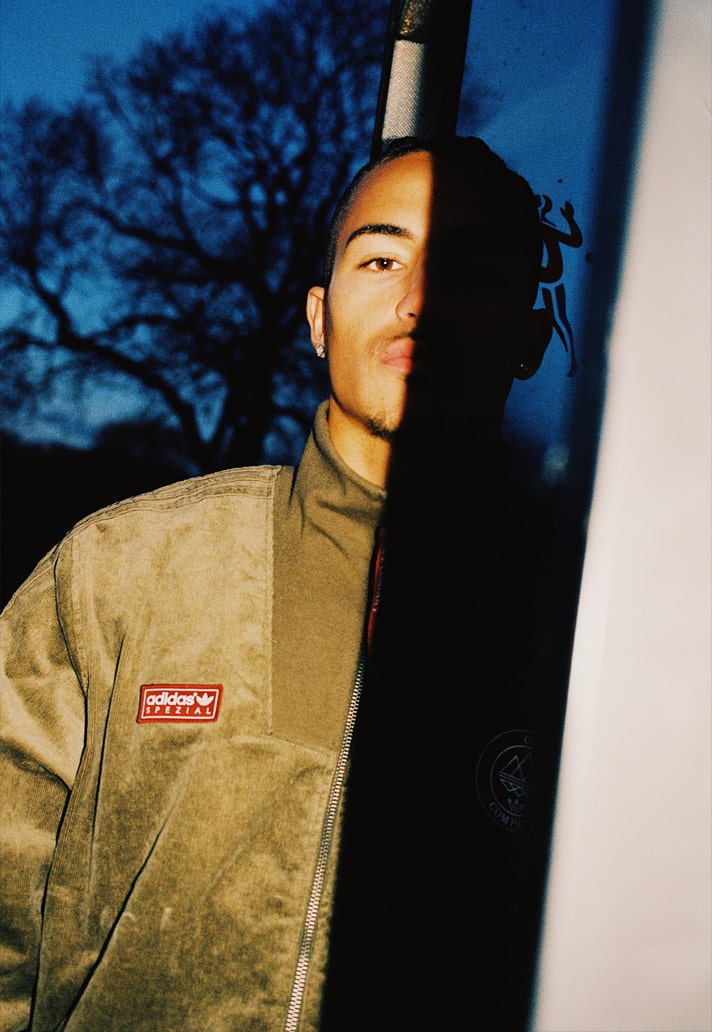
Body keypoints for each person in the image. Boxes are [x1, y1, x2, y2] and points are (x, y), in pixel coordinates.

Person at [0, 136, 555, 1032]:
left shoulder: (583, 630)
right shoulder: (120, 566)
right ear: (318, 318)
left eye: (473, 272)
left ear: (528, 341)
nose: (419, 302)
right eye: (381, 260)